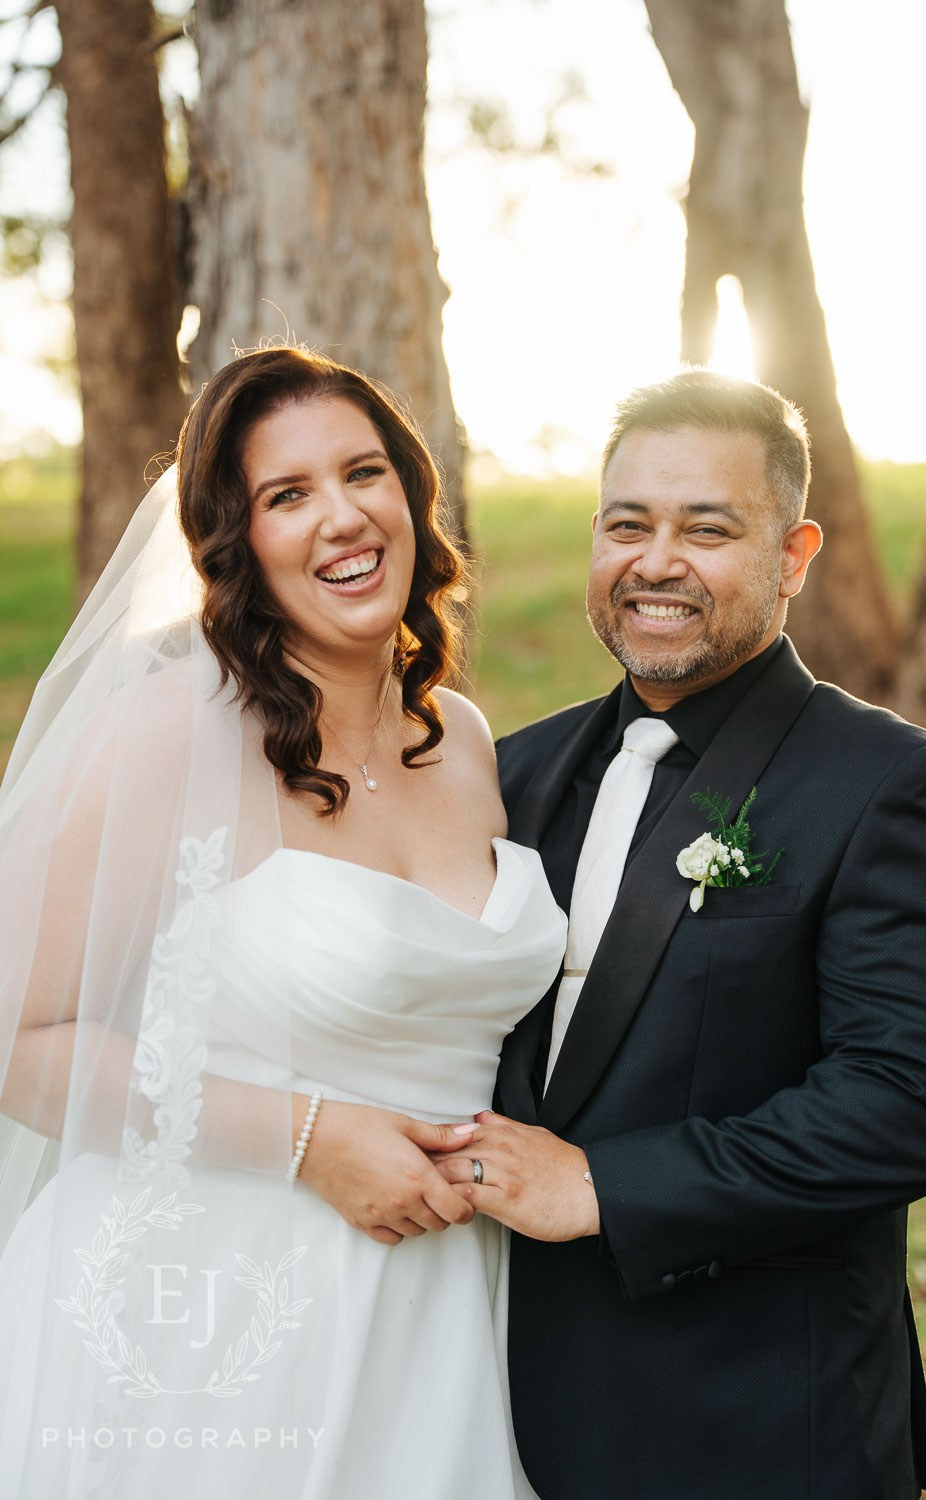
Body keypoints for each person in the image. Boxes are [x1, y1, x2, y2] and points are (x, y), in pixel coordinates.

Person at [0, 346, 565, 1498]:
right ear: (234, 541)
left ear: (412, 496)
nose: (343, 517)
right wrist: (309, 1138)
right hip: (209, 1306)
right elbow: (22, 1039)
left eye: (365, 474)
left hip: (440, 1303)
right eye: (287, 495)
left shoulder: (456, 736)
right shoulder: (175, 731)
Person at [435, 370, 926, 1500]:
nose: (655, 562)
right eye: (626, 525)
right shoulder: (512, 775)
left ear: (793, 556)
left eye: (707, 529)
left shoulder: (894, 789)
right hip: (488, 1397)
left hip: (754, 1427)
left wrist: (604, 1184)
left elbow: (911, 1104)